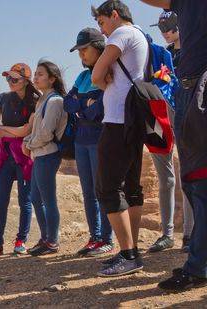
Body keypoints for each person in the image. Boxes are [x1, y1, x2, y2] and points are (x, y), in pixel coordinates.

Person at [140, 0, 207, 292]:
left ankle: (197, 266)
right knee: (194, 182)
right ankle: (199, 264)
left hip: (202, 85)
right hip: (186, 90)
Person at [91, 0, 149, 277]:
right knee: (131, 187)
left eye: (102, 23)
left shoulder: (121, 34)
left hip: (117, 121)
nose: (102, 31)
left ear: (114, 15)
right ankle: (132, 250)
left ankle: (127, 255)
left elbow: (96, 75)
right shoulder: (139, 34)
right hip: (133, 121)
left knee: (108, 187)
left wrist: (104, 81)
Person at [64, 28, 114, 257]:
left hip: (100, 138)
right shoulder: (83, 77)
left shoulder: (108, 72)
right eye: (79, 51)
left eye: (85, 49)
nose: (81, 54)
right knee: (87, 191)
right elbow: (68, 104)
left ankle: (107, 238)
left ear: (98, 47)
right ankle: (94, 237)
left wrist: (82, 104)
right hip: (81, 140)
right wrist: (86, 103)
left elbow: (98, 110)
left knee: (102, 189)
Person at [0, 63, 37, 257]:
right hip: (6, 156)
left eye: (14, 79)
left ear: (26, 81)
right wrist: (17, 132)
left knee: (25, 201)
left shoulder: (35, 101)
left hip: (25, 156)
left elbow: (27, 131)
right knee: (1, 201)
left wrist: (6, 131)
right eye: (8, 79)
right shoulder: (2, 99)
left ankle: (21, 240)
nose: (10, 82)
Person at [150, 10, 194, 253]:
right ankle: (167, 233)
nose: (165, 32)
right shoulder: (159, 55)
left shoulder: (194, 52)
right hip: (160, 115)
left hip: (187, 115)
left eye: (170, 27)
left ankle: (189, 233)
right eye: (162, 28)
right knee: (165, 177)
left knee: (189, 174)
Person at [22, 60, 67, 256]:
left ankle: (52, 241)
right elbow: (37, 130)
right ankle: (46, 237)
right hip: (40, 154)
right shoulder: (43, 99)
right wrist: (28, 141)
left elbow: (46, 133)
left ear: (52, 79)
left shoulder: (55, 101)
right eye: (36, 74)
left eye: (41, 74)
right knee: (36, 197)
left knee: (48, 200)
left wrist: (29, 144)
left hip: (48, 154)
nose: (36, 77)